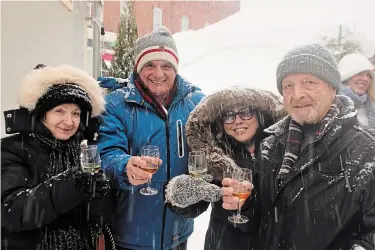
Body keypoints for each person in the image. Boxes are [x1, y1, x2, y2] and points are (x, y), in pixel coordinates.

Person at [222, 44, 375, 250]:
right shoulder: (270, 145)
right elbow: (259, 222)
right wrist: (244, 206)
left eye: (309, 82)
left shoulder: (366, 149)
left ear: (333, 89)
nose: (297, 94)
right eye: (288, 86)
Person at [97, 26, 205, 250]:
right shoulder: (117, 104)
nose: (158, 74)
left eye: (166, 66)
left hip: (178, 232)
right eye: (150, 65)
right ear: (138, 68)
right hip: (130, 235)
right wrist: (125, 166)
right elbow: (106, 154)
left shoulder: (196, 103)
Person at [1, 65, 115, 249]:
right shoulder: (12, 149)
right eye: (60, 111)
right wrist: (73, 183)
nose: (69, 122)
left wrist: (99, 195)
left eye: (75, 113)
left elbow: (96, 221)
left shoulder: (82, 149)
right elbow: (11, 211)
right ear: (42, 114)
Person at [164, 87, 286, 250]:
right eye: (228, 116)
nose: (238, 121)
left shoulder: (283, 150)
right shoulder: (213, 154)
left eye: (245, 112)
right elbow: (196, 204)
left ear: (259, 114)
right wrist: (181, 196)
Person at [338, 53, 375, 127]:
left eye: (368, 75)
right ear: (346, 76)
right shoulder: (333, 105)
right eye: (359, 73)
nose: (366, 79)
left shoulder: (371, 106)